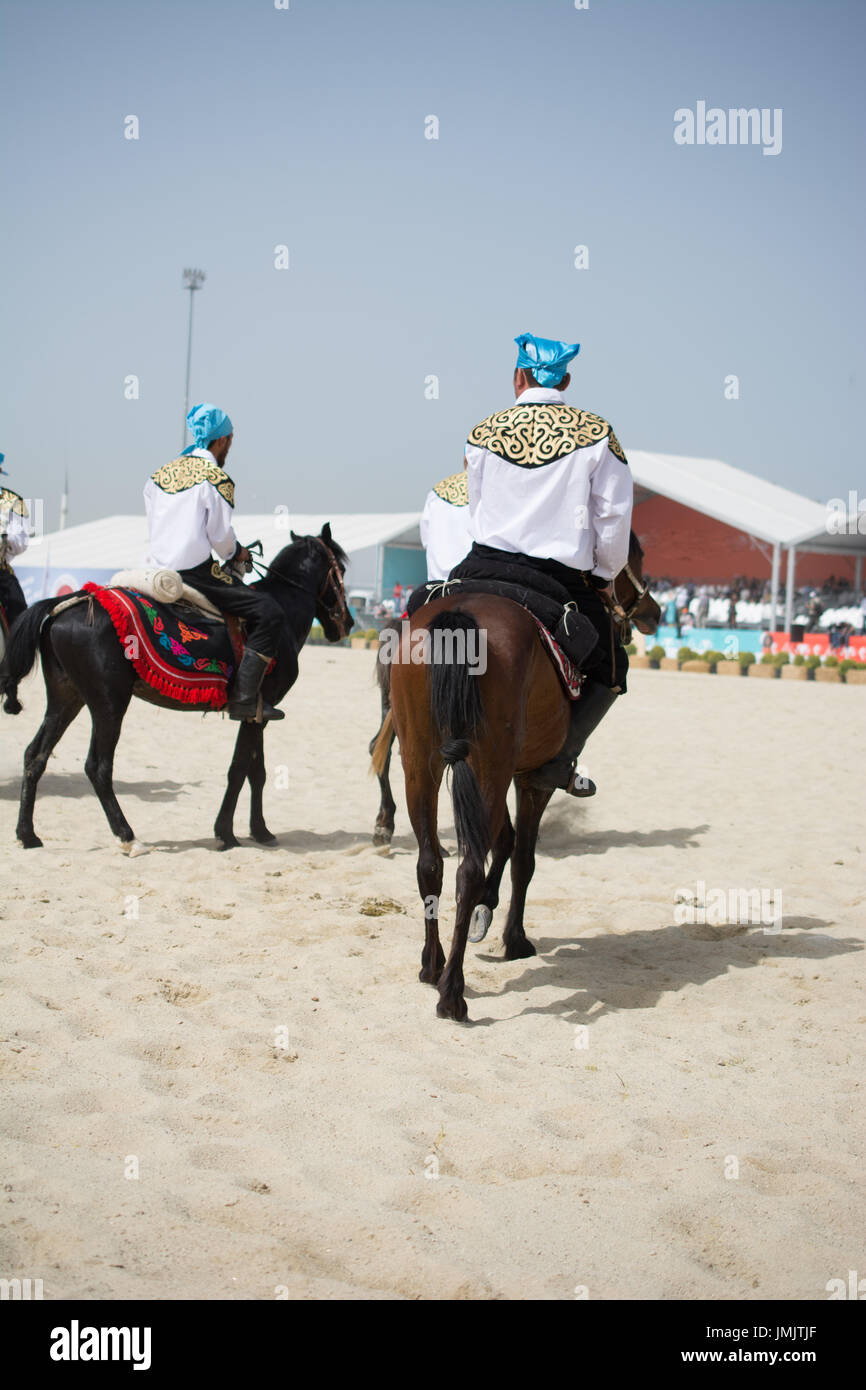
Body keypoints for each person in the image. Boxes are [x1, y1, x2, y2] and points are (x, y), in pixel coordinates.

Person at [461, 331, 633, 797]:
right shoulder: (598, 434)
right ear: (566, 381)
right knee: (613, 668)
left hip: (479, 566)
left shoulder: (481, 432)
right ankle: (558, 760)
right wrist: (603, 574)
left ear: (518, 377)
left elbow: (476, 510)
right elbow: (614, 519)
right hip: (555, 579)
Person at [144, 403, 284, 721]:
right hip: (194, 574)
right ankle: (246, 699)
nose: (228, 449)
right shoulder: (217, 478)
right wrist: (239, 553)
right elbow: (221, 539)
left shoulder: (157, 476)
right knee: (270, 612)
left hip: (153, 568)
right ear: (220, 441)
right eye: (230, 442)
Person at [0, 453, 30, 713]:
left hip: (0, 569)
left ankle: (12, 681)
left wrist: (4, 539)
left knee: (20, 615)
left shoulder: (12, 501)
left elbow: (21, 541)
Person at [419, 467, 474, 580]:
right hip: (473, 576)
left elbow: (425, 540)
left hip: (437, 580)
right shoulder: (487, 488)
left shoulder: (436, 492)